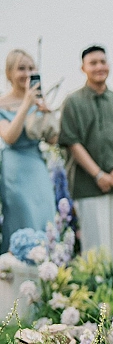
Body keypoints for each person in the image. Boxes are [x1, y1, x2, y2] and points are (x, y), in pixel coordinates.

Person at [58, 46, 113, 266]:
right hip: (88, 184)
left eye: (103, 62)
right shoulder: (72, 102)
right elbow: (72, 142)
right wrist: (98, 175)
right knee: (96, 246)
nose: (99, 67)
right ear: (83, 68)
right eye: (93, 63)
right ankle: (97, 292)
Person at [0, 49, 55, 252]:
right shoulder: (2, 103)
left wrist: (46, 115)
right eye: (21, 68)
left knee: (45, 213)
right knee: (21, 214)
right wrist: (25, 105)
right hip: (15, 166)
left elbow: (52, 140)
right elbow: (10, 137)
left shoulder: (38, 100)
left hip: (36, 164)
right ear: (9, 73)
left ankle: (47, 269)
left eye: (31, 68)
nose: (27, 73)